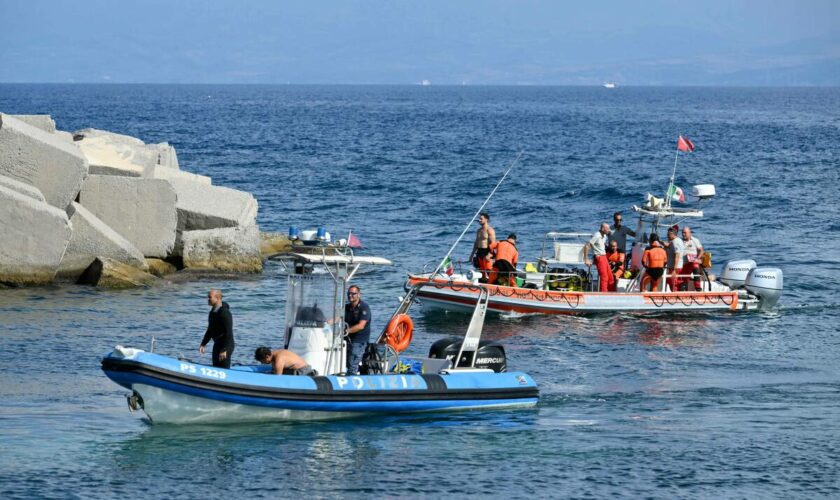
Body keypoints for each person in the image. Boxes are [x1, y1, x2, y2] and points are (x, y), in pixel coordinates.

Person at [199, 289, 234, 368]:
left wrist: (225, 349)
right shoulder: (212, 312)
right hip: (217, 343)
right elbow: (210, 329)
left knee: (223, 368)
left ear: (217, 298)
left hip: (226, 344)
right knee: (216, 367)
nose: (208, 299)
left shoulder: (224, 313)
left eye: (210, 297)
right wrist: (203, 343)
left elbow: (228, 332)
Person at [344, 285, 371, 375]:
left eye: (353, 293)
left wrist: (346, 331)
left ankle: (351, 381)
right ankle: (361, 371)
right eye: (349, 293)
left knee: (352, 365)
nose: (350, 295)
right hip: (347, 339)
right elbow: (337, 317)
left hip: (359, 341)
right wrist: (326, 322)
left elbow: (361, 326)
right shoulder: (346, 307)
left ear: (359, 294)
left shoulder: (364, 308)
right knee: (346, 362)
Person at [583, 223, 612, 292]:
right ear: (602, 229)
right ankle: (603, 294)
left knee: (610, 276)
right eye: (607, 229)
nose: (609, 230)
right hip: (599, 257)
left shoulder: (604, 236)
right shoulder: (597, 235)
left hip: (604, 256)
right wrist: (586, 259)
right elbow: (587, 245)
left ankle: (610, 292)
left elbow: (601, 245)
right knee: (604, 277)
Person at [470, 212, 496, 280]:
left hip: (487, 252)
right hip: (479, 252)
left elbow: (493, 244)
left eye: (481, 219)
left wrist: (490, 254)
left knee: (488, 271)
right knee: (481, 271)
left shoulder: (490, 230)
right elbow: (476, 243)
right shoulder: (479, 231)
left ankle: (492, 284)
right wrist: (472, 254)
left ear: (486, 219)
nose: (479, 220)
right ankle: (482, 283)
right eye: (479, 219)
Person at [680, 226, 705, 291]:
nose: (683, 234)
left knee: (695, 266)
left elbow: (701, 250)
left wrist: (697, 258)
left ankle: (698, 288)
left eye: (685, 233)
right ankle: (684, 290)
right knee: (683, 279)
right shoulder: (680, 241)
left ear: (690, 233)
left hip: (693, 261)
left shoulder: (695, 240)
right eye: (682, 233)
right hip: (684, 263)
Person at [664, 227, 685, 292]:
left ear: (672, 234)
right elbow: (670, 246)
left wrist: (674, 270)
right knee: (670, 281)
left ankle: (675, 296)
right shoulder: (676, 240)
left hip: (675, 267)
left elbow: (677, 255)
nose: (667, 236)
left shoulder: (675, 242)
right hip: (673, 266)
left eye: (668, 234)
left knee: (673, 283)